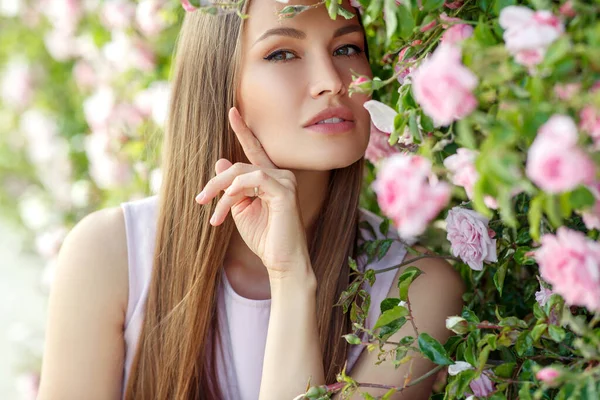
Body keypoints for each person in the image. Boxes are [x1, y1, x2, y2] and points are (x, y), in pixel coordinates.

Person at [37, 0, 465, 398]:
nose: (331, 82)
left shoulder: (414, 289)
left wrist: (292, 280)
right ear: (217, 80)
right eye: (282, 53)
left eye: (347, 47)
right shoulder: (112, 256)